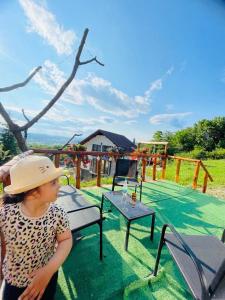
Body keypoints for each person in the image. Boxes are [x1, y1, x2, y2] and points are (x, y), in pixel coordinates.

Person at [0, 155, 72, 300]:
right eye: (53, 182)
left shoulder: (57, 213)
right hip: (15, 282)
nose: (60, 185)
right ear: (32, 191)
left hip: (48, 278)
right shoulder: (6, 214)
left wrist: (48, 271)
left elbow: (66, 239)